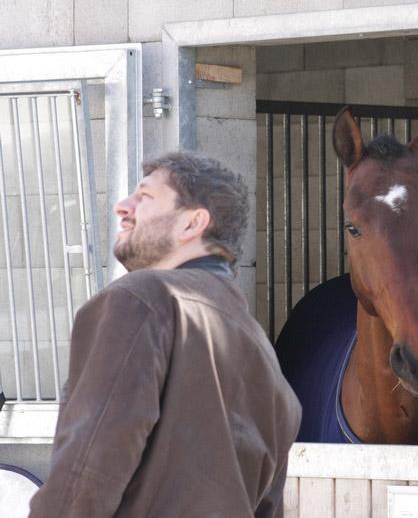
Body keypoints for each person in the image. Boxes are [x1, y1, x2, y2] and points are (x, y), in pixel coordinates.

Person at [29, 152, 301, 517]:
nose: (122, 207)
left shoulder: (142, 299)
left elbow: (87, 470)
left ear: (192, 223)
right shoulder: (261, 347)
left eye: (144, 196)